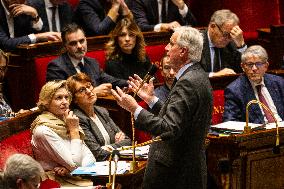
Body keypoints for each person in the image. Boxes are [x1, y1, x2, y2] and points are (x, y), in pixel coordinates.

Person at [111, 26, 212, 189]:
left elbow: (169, 128)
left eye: (171, 44)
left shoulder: (188, 82)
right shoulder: (196, 75)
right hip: (184, 168)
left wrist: (135, 109)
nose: (166, 48)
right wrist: (151, 100)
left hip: (175, 173)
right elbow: (178, 120)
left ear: (183, 51)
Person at [31, 80, 96, 176]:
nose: (65, 102)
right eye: (58, 98)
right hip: (59, 183)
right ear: (46, 102)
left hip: (78, 177)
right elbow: (75, 166)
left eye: (66, 97)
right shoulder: (43, 130)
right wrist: (74, 131)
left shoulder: (66, 121)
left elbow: (91, 159)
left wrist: (70, 170)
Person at [46, 23, 128, 96]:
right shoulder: (56, 67)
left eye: (81, 41)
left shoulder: (92, 62)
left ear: (86, 40)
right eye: (73, 43)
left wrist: (131, 84)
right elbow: (59, 99)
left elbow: (111, 80)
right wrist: (92, 92)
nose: (79, 46)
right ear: (65, 46)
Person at [66, 73, 131, 161]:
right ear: (74, 99)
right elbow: (98, 154)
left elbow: (127, 141)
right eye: (82, 90)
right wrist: (117, 145)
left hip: (115, 161)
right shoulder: (77, 118)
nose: (89, 91)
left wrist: (107, 148)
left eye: (89, 86)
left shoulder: (102, 111)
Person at [223, 45, 284, 124]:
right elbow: (230, 122)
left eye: (258, 64)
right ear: (243, 66)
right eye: (249, 64)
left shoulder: (279, 82)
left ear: (266, 66)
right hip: (258, 134)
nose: (254, 68)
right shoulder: (234, 90)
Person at [199, 9, 246, 77]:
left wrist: (241, 45)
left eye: (231, 35)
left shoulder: (232, 43)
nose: (228, 39)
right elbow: (189, 75)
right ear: (213, 27)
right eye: (225, 34)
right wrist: (214, 75)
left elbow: (246, 70)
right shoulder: (195, 42)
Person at [131, 0, 196, 32]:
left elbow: (193, 25)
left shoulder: (177, 1)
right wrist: (162, 26)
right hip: (148, 43)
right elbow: (140, 26)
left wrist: (182, 6)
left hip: (175, 43)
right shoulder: (140, 1)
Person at [0, 49, 12, 116]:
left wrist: (16, 115)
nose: (2, 74)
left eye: (4, 69)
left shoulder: (3, 87)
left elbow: (5, 114)